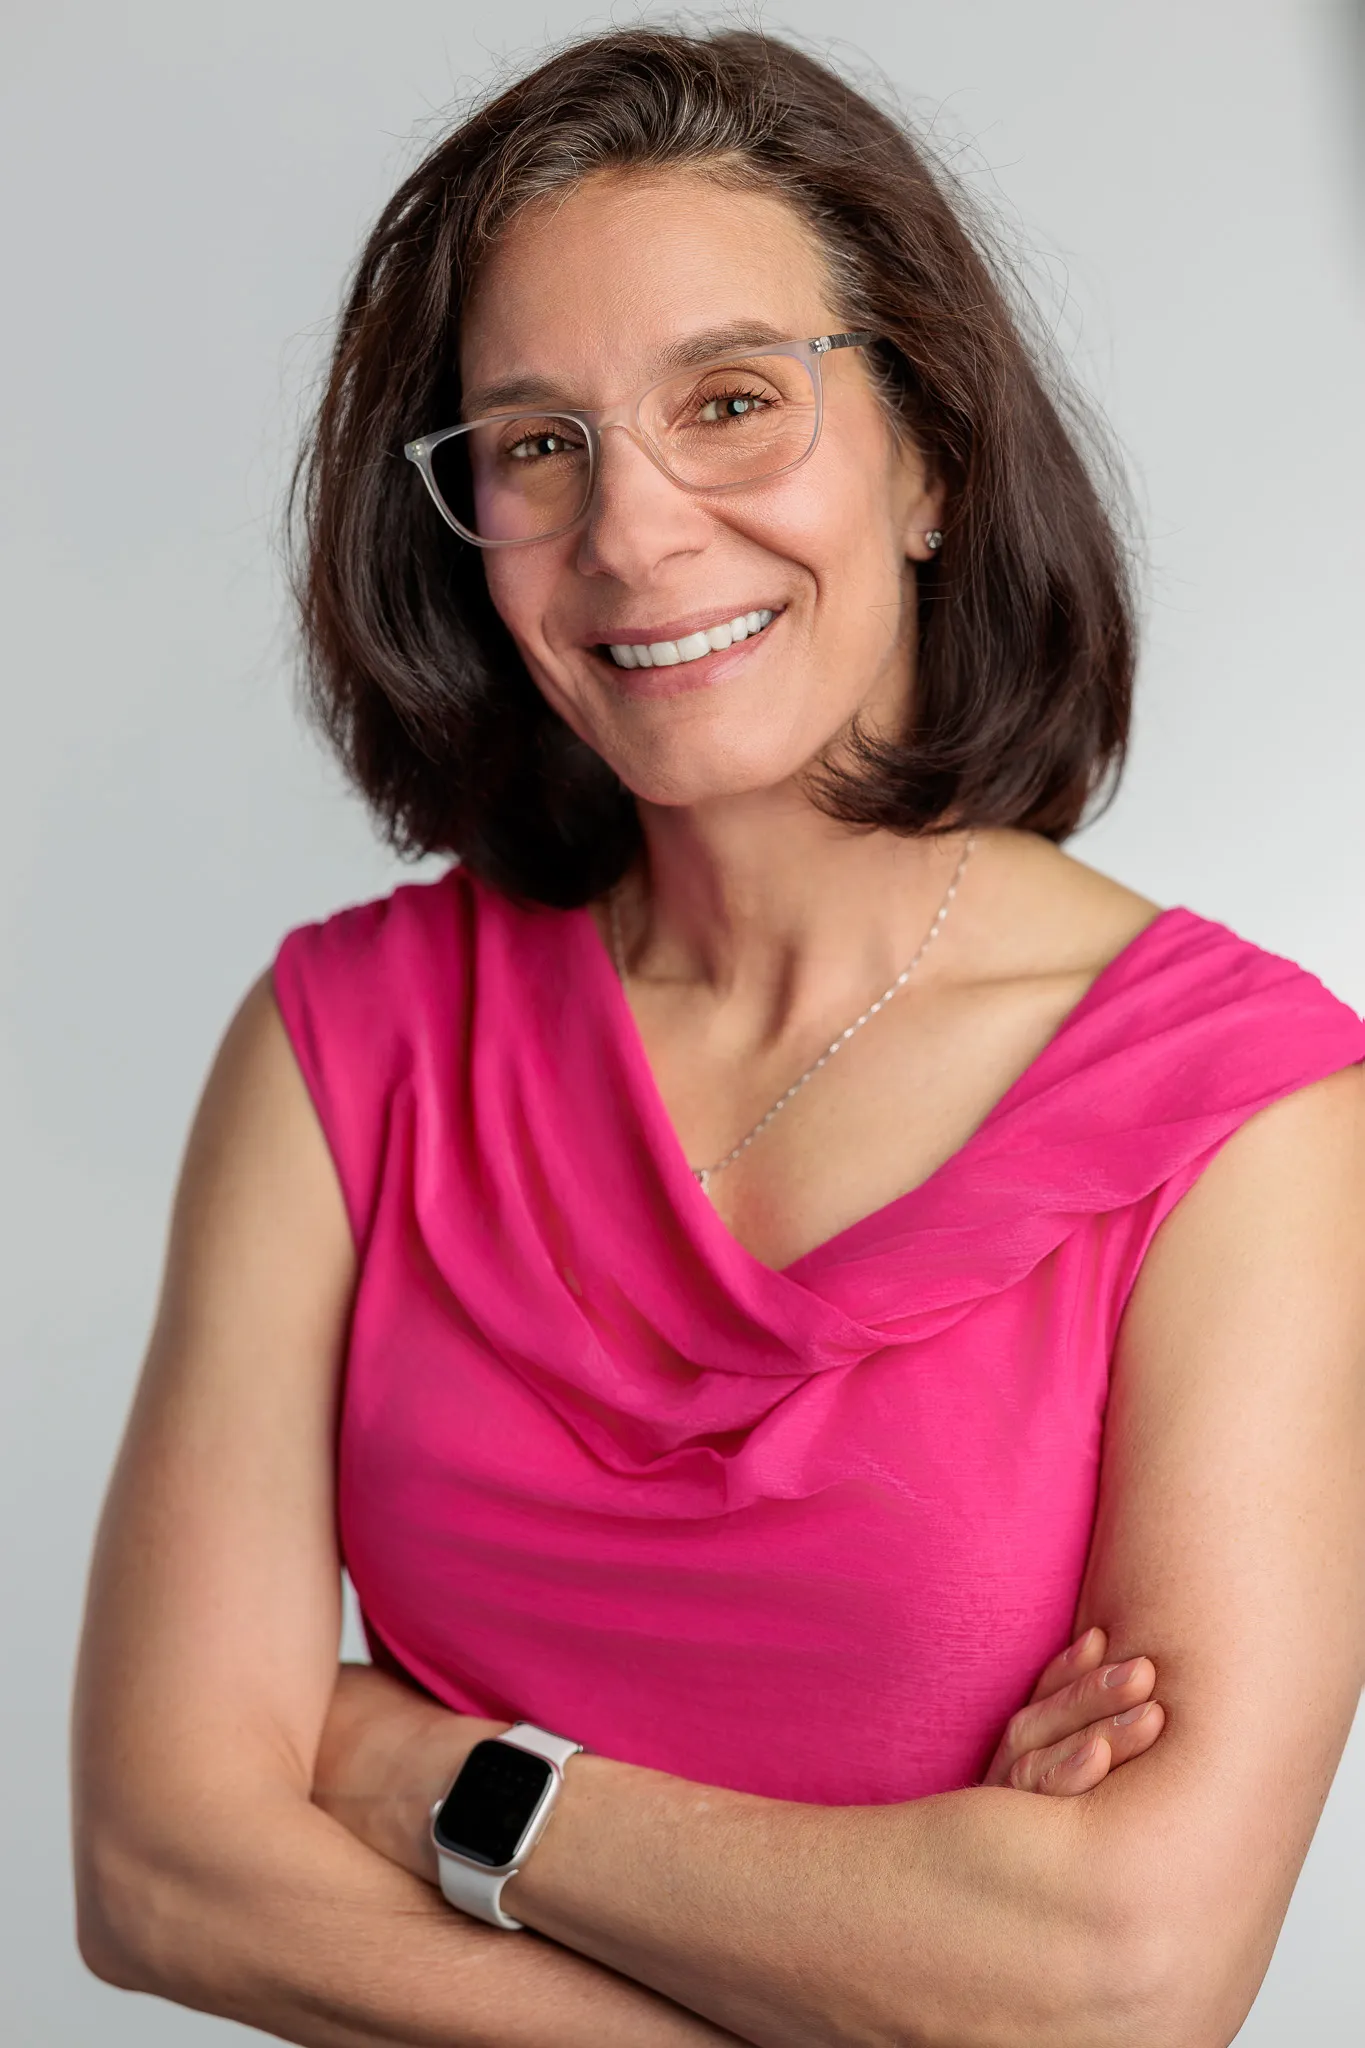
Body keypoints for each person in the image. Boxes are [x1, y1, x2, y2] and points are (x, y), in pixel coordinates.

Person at [72, 25, 1365, 2048]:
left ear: (928, 455)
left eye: (734, 403)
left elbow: (1120, 1977)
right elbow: (159, 1865)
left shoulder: (1244, 1114)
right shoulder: (346, 1046)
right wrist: (884, 1975)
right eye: (533, 444)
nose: (634, 535)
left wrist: (426, 1775)